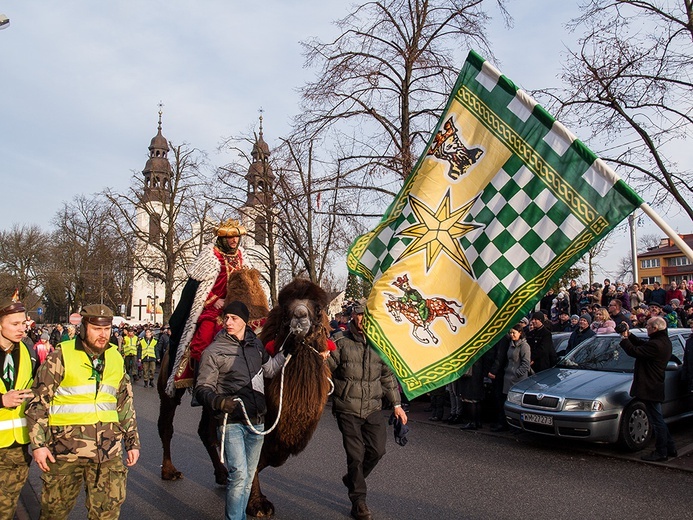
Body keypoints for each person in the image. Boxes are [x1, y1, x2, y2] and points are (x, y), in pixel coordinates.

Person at [25, 304, 140, 519]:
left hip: (108, 452)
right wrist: (38, 445)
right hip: (65, 451)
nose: (103, 335)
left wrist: (132, 442)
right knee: (54, 514)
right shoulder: (60, 356)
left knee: (107, 514)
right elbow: (38, 402)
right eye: (97, 329)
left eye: (107, 329)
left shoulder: (116, 357)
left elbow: (125, 403)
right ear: (84, 328)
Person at [194, 301, 287, 520]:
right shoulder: (213, 351)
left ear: (244, 321)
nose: (228, 322)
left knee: (246, 479)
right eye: (226, 318)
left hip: (256, 421)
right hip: (231, 422)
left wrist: (287, 353)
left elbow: (271, 369)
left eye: (234, 318)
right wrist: (218, 402)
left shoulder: (256, 346)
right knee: (238, 475)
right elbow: (201, 389)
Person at [327, 304, 407, 520]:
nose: (363, 318)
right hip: (347, 408)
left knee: (377, 451)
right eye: (360, 314)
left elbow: (387, 376)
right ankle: (358, 502)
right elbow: (326, 370)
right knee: (355, 456)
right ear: (353, 316)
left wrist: (397, 405)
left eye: (367, 315)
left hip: (373, 407)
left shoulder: (380, 343)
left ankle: (352, 478)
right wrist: (324, 357)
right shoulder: (341, 341)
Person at [167, 218, 248, 394]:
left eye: (237, 237)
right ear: (222, 238)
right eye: (230, 237)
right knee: (203, 340)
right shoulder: (210, 255)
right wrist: (213, 299)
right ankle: (201, 385)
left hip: (236, 309)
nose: (235, 241)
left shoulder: (242, 255)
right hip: (213, 309)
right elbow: (195, 289)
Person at [0, 297, 38, 519]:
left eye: (23, 323)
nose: (22, 329)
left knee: (6, 508)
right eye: (14, 324)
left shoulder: (27, 351)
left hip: (17, 447)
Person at [619, 317, 677, 462]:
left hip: (650, 386)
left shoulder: (657, 344)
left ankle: (661, 451)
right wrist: (630, 334)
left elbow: (635, 351)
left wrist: (624, 338)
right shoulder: (662, 341)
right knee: (658, 418)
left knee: (656, 421)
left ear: (655, 328)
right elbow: (642, 344)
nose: (646, 327)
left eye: (648, 326)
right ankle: (670, 447)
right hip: (654, 385)